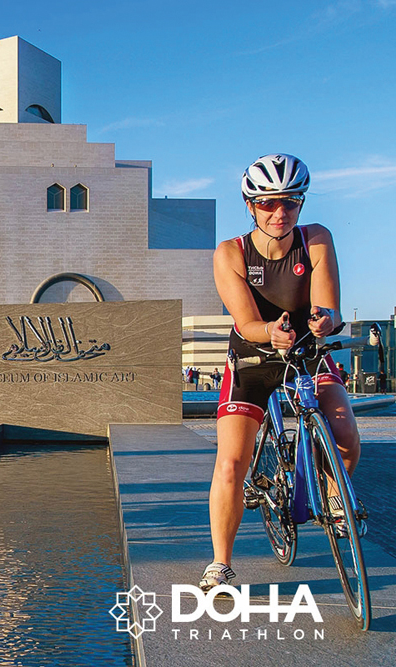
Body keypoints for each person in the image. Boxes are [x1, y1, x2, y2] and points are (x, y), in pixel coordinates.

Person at [202, 154, 361, 591]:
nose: (280, 212)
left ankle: (332, 495)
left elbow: (327, 301)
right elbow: (245, 322)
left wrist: (324, 319)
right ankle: (221, 563)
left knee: (346, 437)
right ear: (250, 206)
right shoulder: (231, 252)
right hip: (254, 357)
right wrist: (269, 331)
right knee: (232, 461)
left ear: (301, 203)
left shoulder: (316, 239)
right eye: (268, 203)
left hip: (308, 352)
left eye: (290, 202)